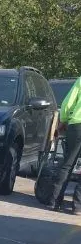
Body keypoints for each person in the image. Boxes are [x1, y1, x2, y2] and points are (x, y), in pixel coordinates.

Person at [48, 75, 81, 211]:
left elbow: (68, 103)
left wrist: (63, 120)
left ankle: (54, 201)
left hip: (77, 125)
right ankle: (78, 207)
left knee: (67, 164)